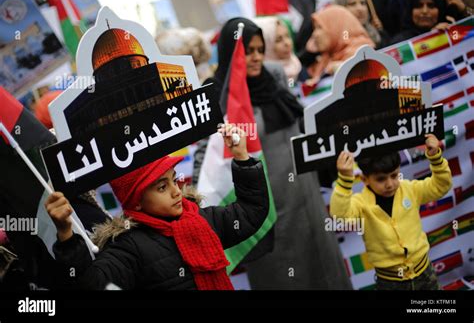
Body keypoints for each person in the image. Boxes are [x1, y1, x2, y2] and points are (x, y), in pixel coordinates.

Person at [195, 17, 352, 289]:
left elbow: (302, 121)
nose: (256, 57)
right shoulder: (218, 94)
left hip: (307, 199)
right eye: (248, 51)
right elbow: (205, 154)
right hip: (266, 212)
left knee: (326, 272)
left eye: (259, 49)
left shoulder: (274, 77)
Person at [46, 124, 270, 290]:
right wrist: (66, 234)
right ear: (137, 202)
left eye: (174, 180)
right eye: (162, 187)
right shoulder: (127, 247)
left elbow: (251, 212)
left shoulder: (200, 218)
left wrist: (242, 157)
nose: (176, 191)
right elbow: (91, 285)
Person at [331, 134, 453, 290]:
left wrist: (436, 158)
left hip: (425, 274)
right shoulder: (360, 204)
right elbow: (340, 217)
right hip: (389, 284)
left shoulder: (410, 189)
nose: (390, 184)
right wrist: (344, 180)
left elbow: (441, 186)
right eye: (381, 179)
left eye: (394, 175)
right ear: (364, 179)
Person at [304, 5, 375, 87]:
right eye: (314, 29)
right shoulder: (326, 59)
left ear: (336, 27)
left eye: (320, 27)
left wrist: (340, 69)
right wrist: (309, 54)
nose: (315, 34)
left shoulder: (362, 53)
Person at [390, 0, 469, 44]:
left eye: (431, 5)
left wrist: (464, 12)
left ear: (440, 10)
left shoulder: (454, 34)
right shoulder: (400, 42)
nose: (424, 11)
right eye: (418, 6)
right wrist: (431, 40)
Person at [253, 16, 302, 83]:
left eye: (287, 36)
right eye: (278, 40)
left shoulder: (295, 64)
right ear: (266, 45)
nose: (287, 43)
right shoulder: (261, 79)